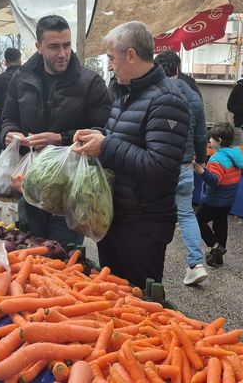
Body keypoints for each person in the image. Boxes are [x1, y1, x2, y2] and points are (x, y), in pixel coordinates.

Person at [73, 21, 189, 287]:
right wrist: (96, 135)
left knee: (139, 306)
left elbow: (160, 167)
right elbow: (122, 138)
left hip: (142, 226)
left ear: (132, 55)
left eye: (112, 58)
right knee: (112, 297)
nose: (110, 65)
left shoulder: (167, 100)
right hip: (117, 217)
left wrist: (106, 145)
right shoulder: (126, 93)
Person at [2, 15, 112, 246]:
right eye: (54, 47)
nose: (62, 53)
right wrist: (9, 133)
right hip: (29, 183)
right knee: (27, 249)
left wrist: (61, 139)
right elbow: (8, 118)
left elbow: (102, 130)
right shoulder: (21, 79)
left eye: (67, 45)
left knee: (61, 255)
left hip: (71, 189)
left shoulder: (90, 82)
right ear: (38, 47)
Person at [154, 51, 209, 286]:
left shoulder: (154, 92)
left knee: (154, 215)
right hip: (186, 164)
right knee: (186, 215)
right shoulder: (193, 96)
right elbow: (201, 134)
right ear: (178, 68)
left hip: (158, 165)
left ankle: (151, 267)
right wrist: (202, 160)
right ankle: (196, 264)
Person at [194, 122, 243, 267]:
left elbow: (215, 180)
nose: (209, 141)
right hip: (228, 200)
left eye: (211, 138)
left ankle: (215, 247)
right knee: (220, 224)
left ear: (219, 141)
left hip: (214, 200)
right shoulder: (235, 155)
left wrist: (201, 172)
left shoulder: (217, 159)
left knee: (197, 221)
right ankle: (218, 258)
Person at [0, 48, 22, 159]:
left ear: (6, 62)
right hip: (25, 130)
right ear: (20, 60)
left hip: (4, 129)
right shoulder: (29, 77)